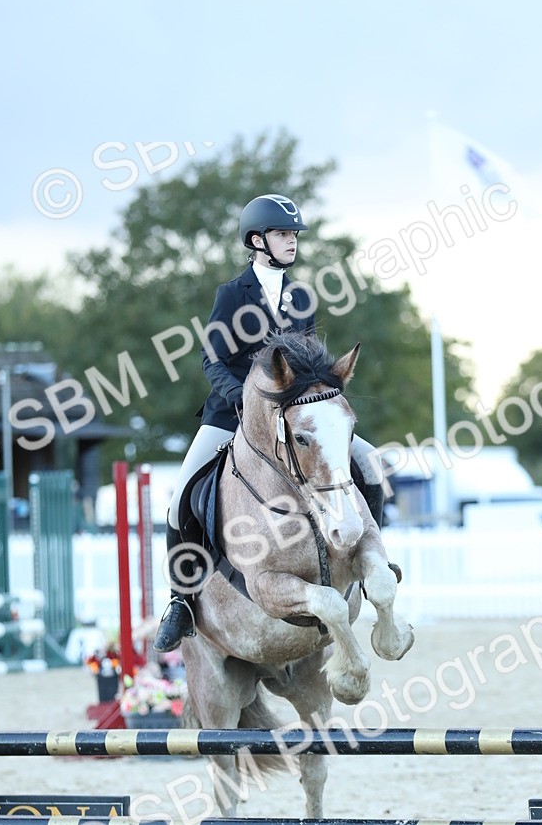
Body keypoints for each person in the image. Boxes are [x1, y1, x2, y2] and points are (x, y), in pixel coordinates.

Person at [153, 193, 385, 653]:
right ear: (258, 240)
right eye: (283, 235)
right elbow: (212, 359)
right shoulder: (231, 295)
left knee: (369, 463)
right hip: (233, 414)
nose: (291, 242)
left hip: (295, 417)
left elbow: (310, 360)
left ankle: (367, 560)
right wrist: (244, 399)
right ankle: (181, 600)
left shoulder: (302, 296)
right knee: (181, 496)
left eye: (294, 235)